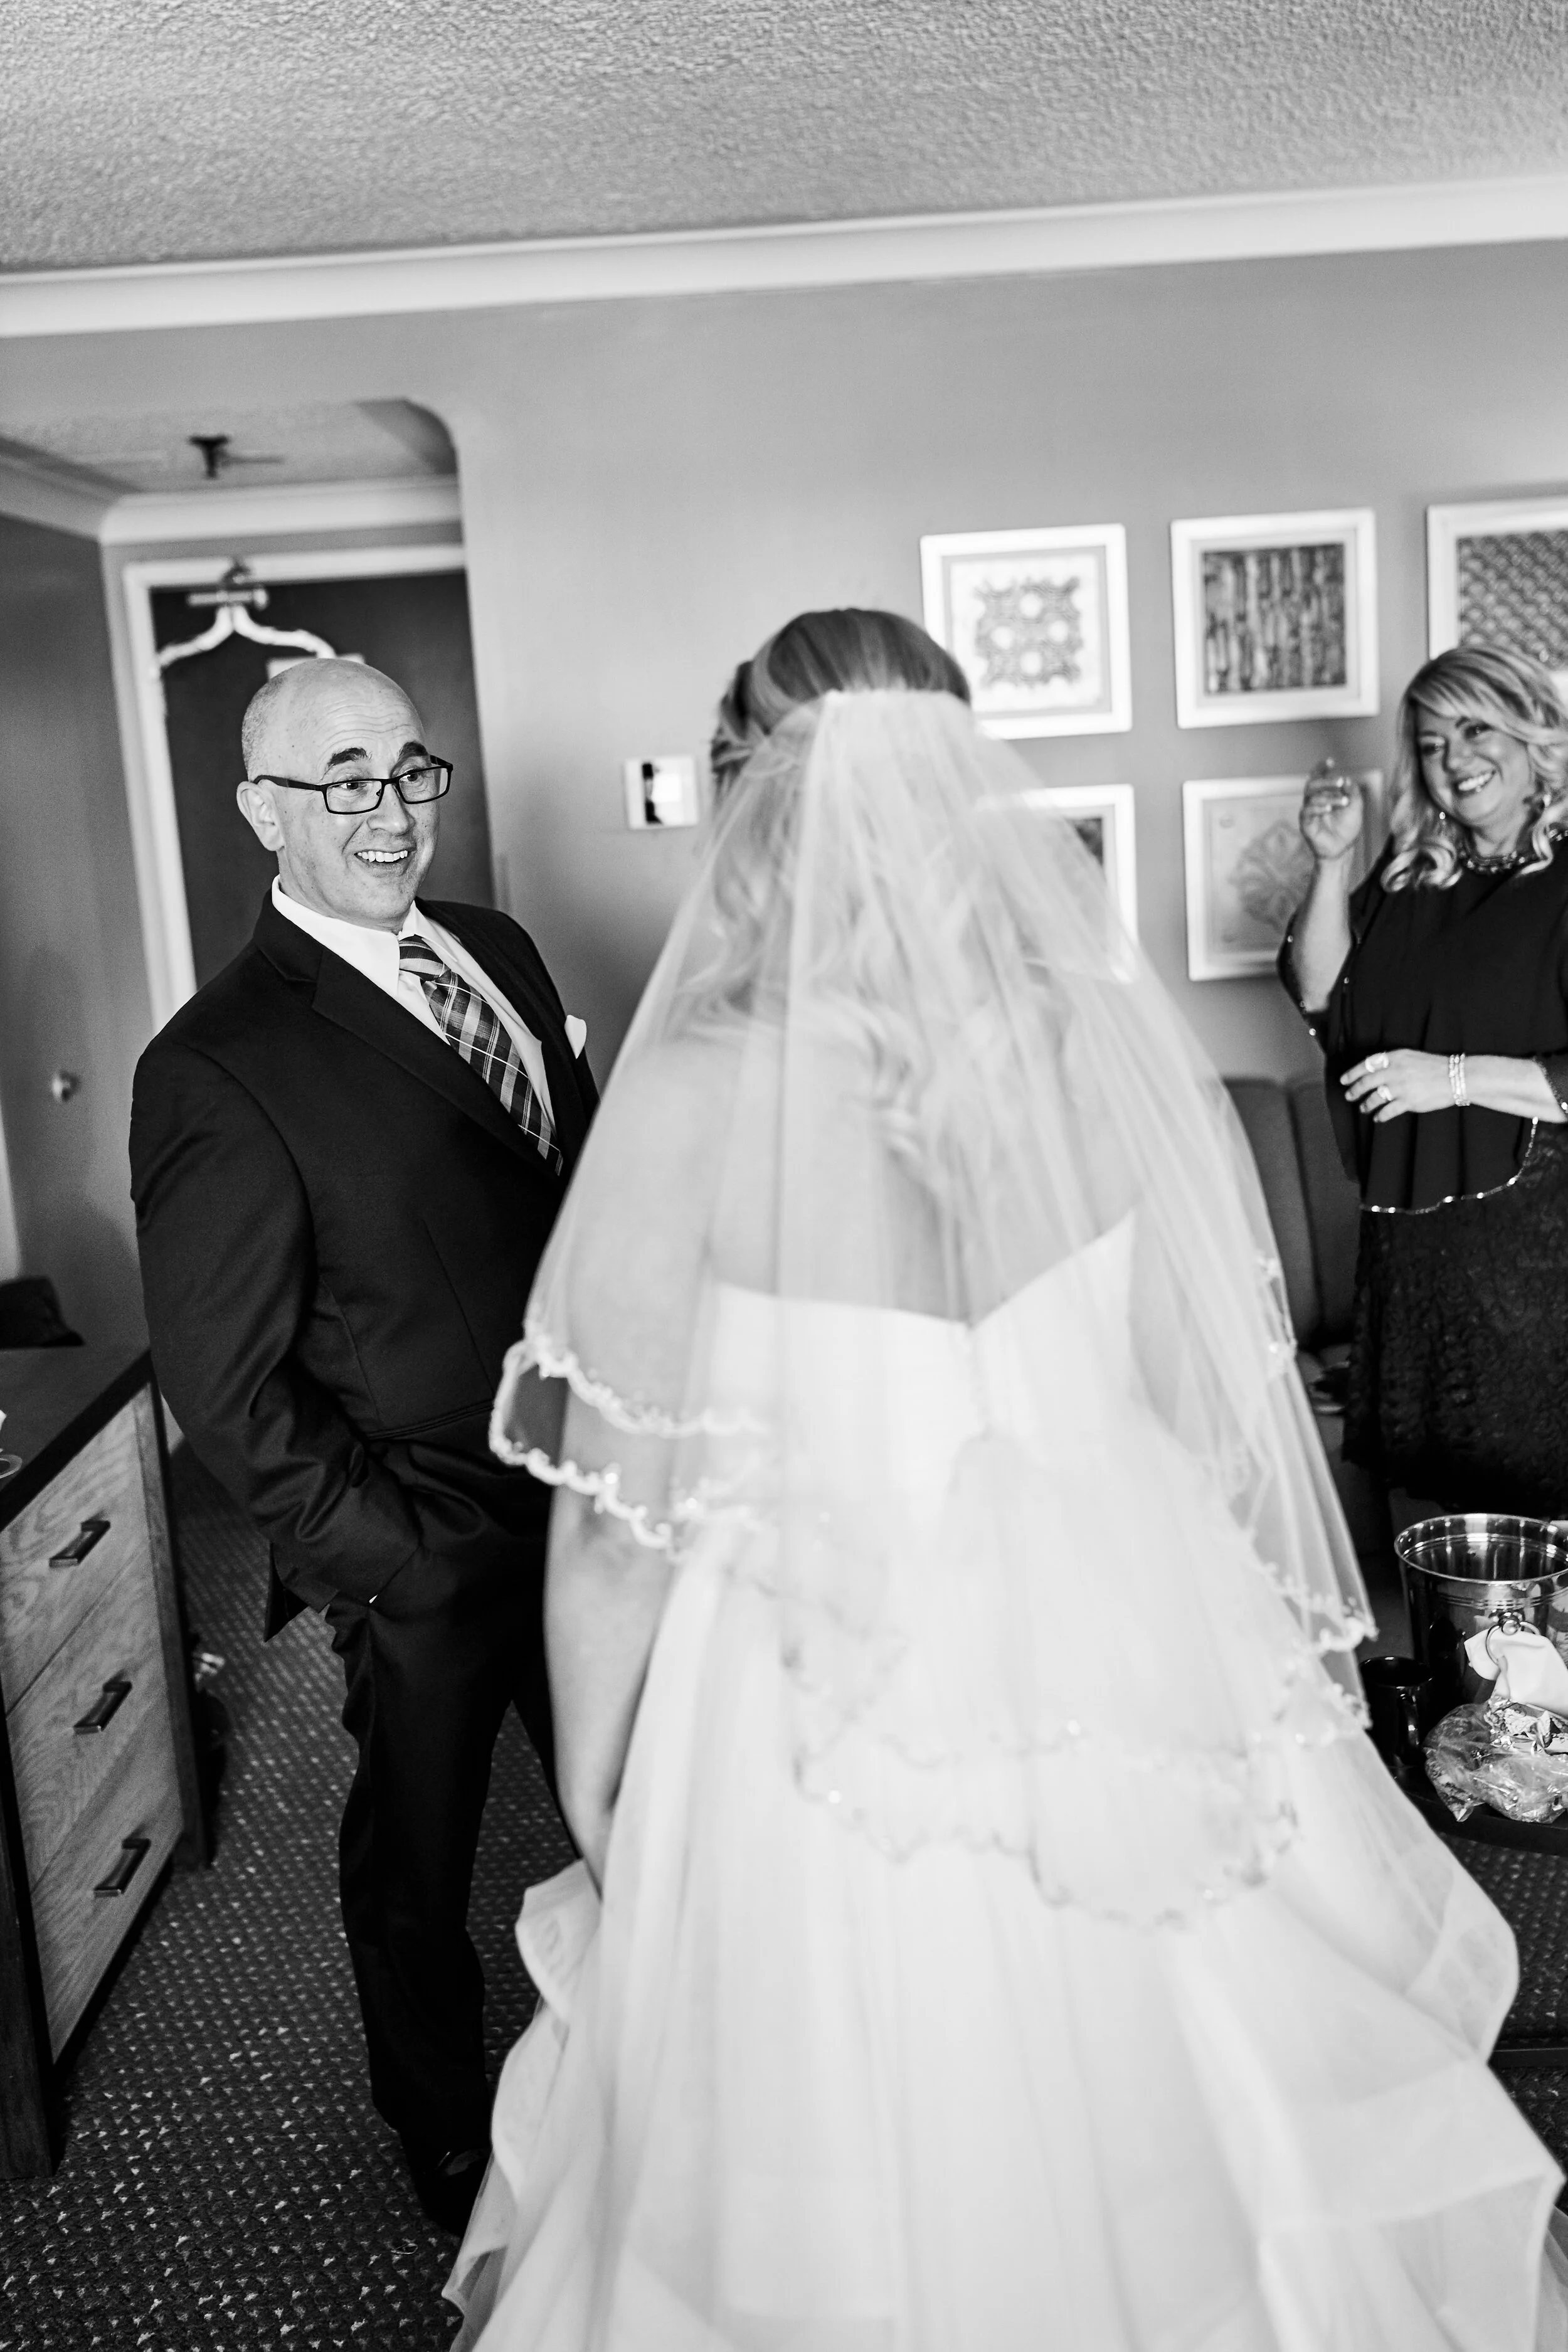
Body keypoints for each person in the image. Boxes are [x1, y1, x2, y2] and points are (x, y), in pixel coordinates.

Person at [445, 610, 1568, 2349]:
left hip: (810, 1671)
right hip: (1105, 1632)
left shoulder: (702, 1082)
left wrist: (597, 1781)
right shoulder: (1085, 1046)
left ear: (754, 792)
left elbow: (614, 1518)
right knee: (1196, 2086)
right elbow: (1188, 1410)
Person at [129, 657, 596, 2231]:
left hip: (597, 1491)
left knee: (641, 1801)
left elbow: (575, 1184)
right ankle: (441, 2128)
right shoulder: (215, 1064)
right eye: (342, 780)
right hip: (422, 1525)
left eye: (408, 768)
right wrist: (395, 1559)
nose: (389, 810)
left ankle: (655, 2060)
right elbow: (225, 1382)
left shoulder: (496, 950)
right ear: (262, 811)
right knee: (417, 1860)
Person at [1283, 644, 1568, 1520]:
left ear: (1531, 733)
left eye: (1477, 730)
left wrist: (1450, 1078)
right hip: (1415, 1253)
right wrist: (1332, 863)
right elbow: (1323, 994)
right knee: (1447, 1532)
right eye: (1434, 744)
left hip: (1535, 1251)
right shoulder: (1415, 872)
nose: (1456, 760)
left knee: (1536, 1523)